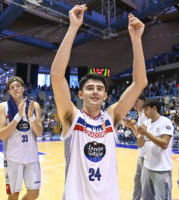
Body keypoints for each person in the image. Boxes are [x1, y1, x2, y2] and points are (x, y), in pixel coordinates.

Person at [50, 4, 147, 200]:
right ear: (80, 94)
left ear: (105, 96)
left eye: (100, 89)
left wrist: (136, 40)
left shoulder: (112, 116)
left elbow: (140, 83)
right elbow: (56, 75)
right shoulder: (71, 116)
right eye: (90, 88)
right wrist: (73, 27)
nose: (95, 91)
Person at [0, 76, 43, 200]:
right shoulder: (2, 107)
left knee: (34, 193)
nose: (15, 89)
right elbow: (2, 135)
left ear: (23, 88)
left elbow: (39, 133)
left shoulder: (34, 105)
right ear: (9, 91)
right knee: (13, 195)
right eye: (12, 88)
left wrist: (31, 117)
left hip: (32, 158)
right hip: (12, 158)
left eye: (18, 86)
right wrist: (18, 116)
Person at [137, 100, 174, 200]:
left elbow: (164, 144)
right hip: (147, 167)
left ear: (154, 108)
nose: (145, 113)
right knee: (146, 197)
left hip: (162, 169)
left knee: (163, 198)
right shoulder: (146, 123)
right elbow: (140, 144)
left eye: (146, 110)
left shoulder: (166, 122)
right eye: (144, 110)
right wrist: (141, 135)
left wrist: (147, 133)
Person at [124, 94, 148, 200]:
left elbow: (146, 138)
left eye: (136, 100)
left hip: (147, 156)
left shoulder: (146, 115)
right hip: (141, 154)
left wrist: (133, 126)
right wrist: (131, 126)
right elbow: (139, 136)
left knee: (146, 185)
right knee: (137, 182)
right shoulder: (140, 115)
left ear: (142, 102)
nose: (133, 102)